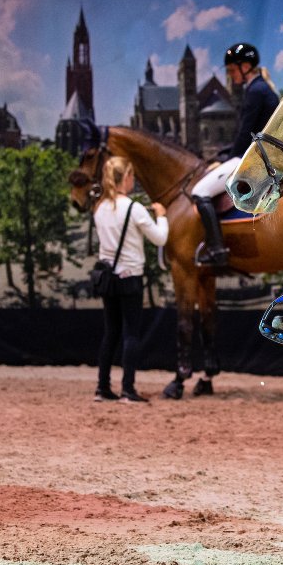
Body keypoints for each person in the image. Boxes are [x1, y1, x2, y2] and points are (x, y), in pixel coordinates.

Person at [191, 42, 279, 266]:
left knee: (200, 191)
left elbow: (245, 132)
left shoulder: (255, 91)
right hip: (257, 153)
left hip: (255, 158)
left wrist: (229, 155)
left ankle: (217, 250)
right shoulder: (259, 88)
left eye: (231, 70)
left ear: (246, 66)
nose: (230, 75)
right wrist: (226, 151)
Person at [94, 156, 168, 403]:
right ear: (125, 178)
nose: (133, 180)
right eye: (132, 176)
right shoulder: (134, 208)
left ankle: (102, 387)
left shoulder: (100, 207)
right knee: (131, 334)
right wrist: (162, 215)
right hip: (130, 277)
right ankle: (128, 388)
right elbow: (159, 238)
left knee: (110, 332)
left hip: (107, 278)